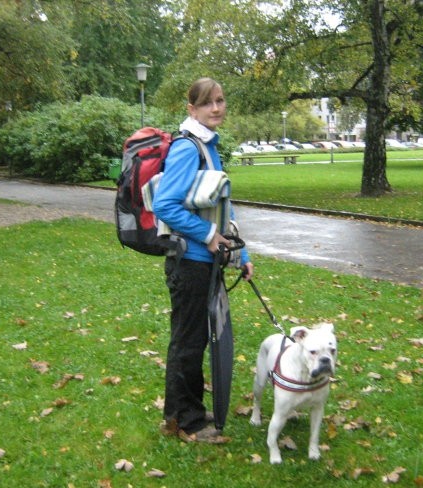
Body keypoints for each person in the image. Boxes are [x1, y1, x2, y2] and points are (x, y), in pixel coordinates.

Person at [152, 78, 254, 442]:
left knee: (193, 340)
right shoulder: (186, 147)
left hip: (204, 262)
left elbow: (220, 206)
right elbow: (164, 205)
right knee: (189, 342)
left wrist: (240, 253)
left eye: (221, 101)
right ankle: (187, 422)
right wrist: (210, 237)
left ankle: (182, 412)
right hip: (189, 263)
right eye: (208, 103)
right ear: (191, 109)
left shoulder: (210, 146)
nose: (217, 108)